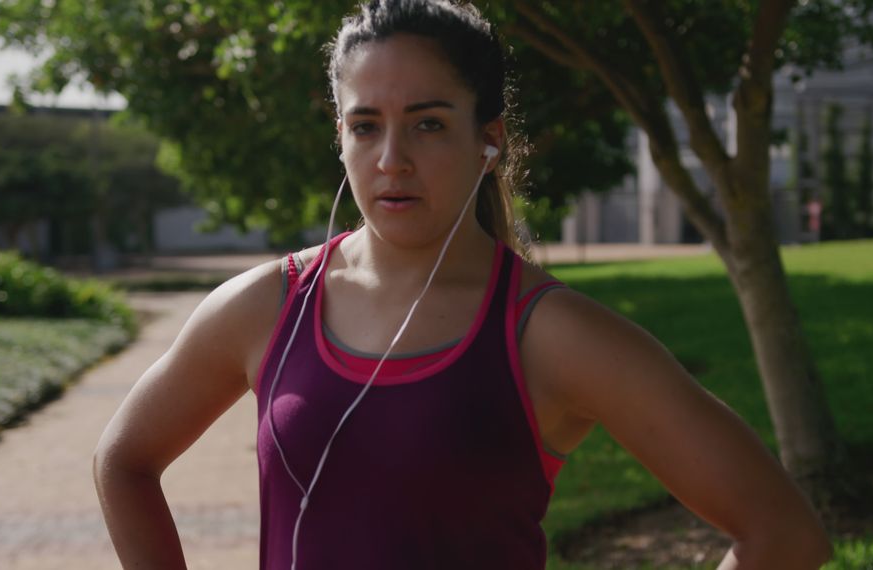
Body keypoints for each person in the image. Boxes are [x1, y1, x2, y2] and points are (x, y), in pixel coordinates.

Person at [93, 1, 833, 569]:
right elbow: (123, 460)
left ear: (491, 137)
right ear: (341, 136)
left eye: (428, 124)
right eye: (365, 125)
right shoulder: (264, 306)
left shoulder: (549, 335)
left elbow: (783, 534)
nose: (392, 160)